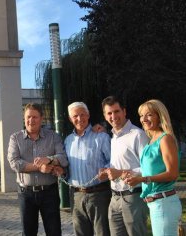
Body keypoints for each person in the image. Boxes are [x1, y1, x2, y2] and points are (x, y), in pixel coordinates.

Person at [7, 103, 68, 236]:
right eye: (28, 117)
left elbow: (63, 158)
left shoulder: (53, 136)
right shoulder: (15, 138)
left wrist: (49, 159)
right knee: (28, 233)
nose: (31, 120)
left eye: (35, 117)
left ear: (41, 118)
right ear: (24, 118)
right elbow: (14, 163)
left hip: (49, 193)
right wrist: (40, 167)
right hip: (25, 194)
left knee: (54, 232)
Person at [124, 99, 182, 236]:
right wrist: (135, 176)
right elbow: (150, 171)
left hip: (164, 203)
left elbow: (172, 174)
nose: (143, 119)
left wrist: (143, 179)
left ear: (159, 116)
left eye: (149, 114)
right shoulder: (151, 141)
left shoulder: (165, 139)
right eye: (141, 115)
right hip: (156, 203)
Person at [99, 96, 149, 236]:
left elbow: (148, 170)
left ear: (124, 112)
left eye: (116, 111)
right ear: (105, 115)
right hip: (114, 198)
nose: (113, 116)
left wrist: (120, 172)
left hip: (134, 197)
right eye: (109, 113)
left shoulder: (138, 135)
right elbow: (121, 162)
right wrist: (107, 170)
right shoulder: (113, 137)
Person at [65, 102, 112, 236]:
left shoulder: (101, 137)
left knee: (102, 232)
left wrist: (106, 170)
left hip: (99, 195)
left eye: (82, 114)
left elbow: (113, 161)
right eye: (75, 116)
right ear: (70, 119)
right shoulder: (68, 141)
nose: (79, 119)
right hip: (76, 195)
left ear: (88, 115)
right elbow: (65, 165)